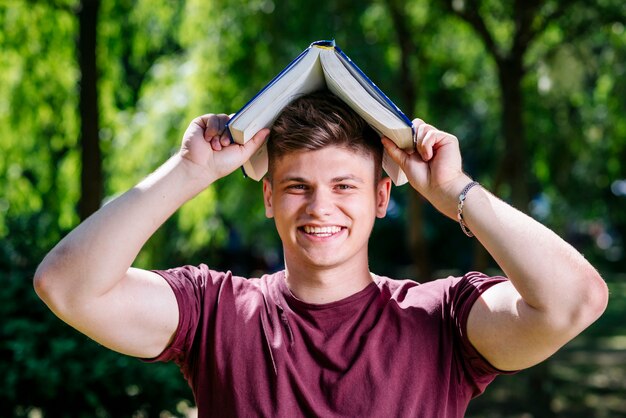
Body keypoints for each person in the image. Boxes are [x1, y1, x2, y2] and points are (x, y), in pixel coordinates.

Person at [34, 90, 608, 417]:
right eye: (298, 186)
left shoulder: (442, 320)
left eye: (344, 186)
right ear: (268, 197)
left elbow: (576, 301)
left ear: (383, 196)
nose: (320, 207)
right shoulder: (213, 313)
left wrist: (454, 192)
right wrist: (188, 173)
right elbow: (66, 286)